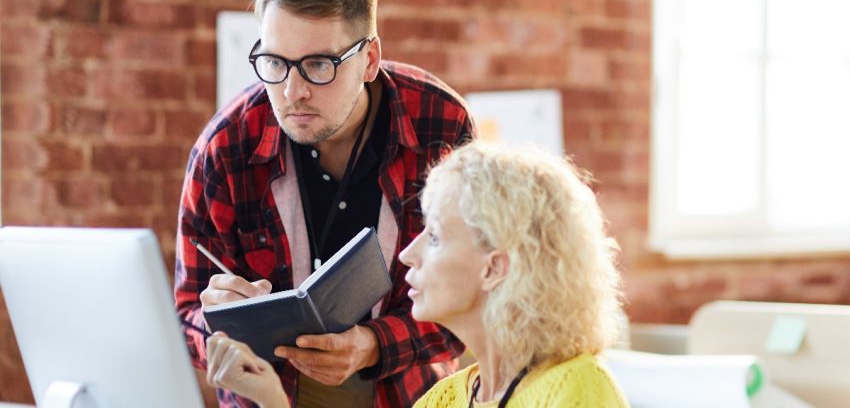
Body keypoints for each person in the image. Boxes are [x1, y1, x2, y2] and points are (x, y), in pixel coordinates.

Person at [175, 0, 474, 408]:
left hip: (405, 394)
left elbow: (473, 298)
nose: (292, 92)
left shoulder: (440, 125)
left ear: (369, 60)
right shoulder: (226, 148)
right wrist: (217, 321)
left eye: (318, 65)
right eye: (274, 63)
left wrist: (373, 345)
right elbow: (186, 313)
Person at [204, 141, 630, 407]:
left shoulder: (576, 390)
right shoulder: (448, 398)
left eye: (438, 237)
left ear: (494, 267)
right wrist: (269, 398)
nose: (408, 254)